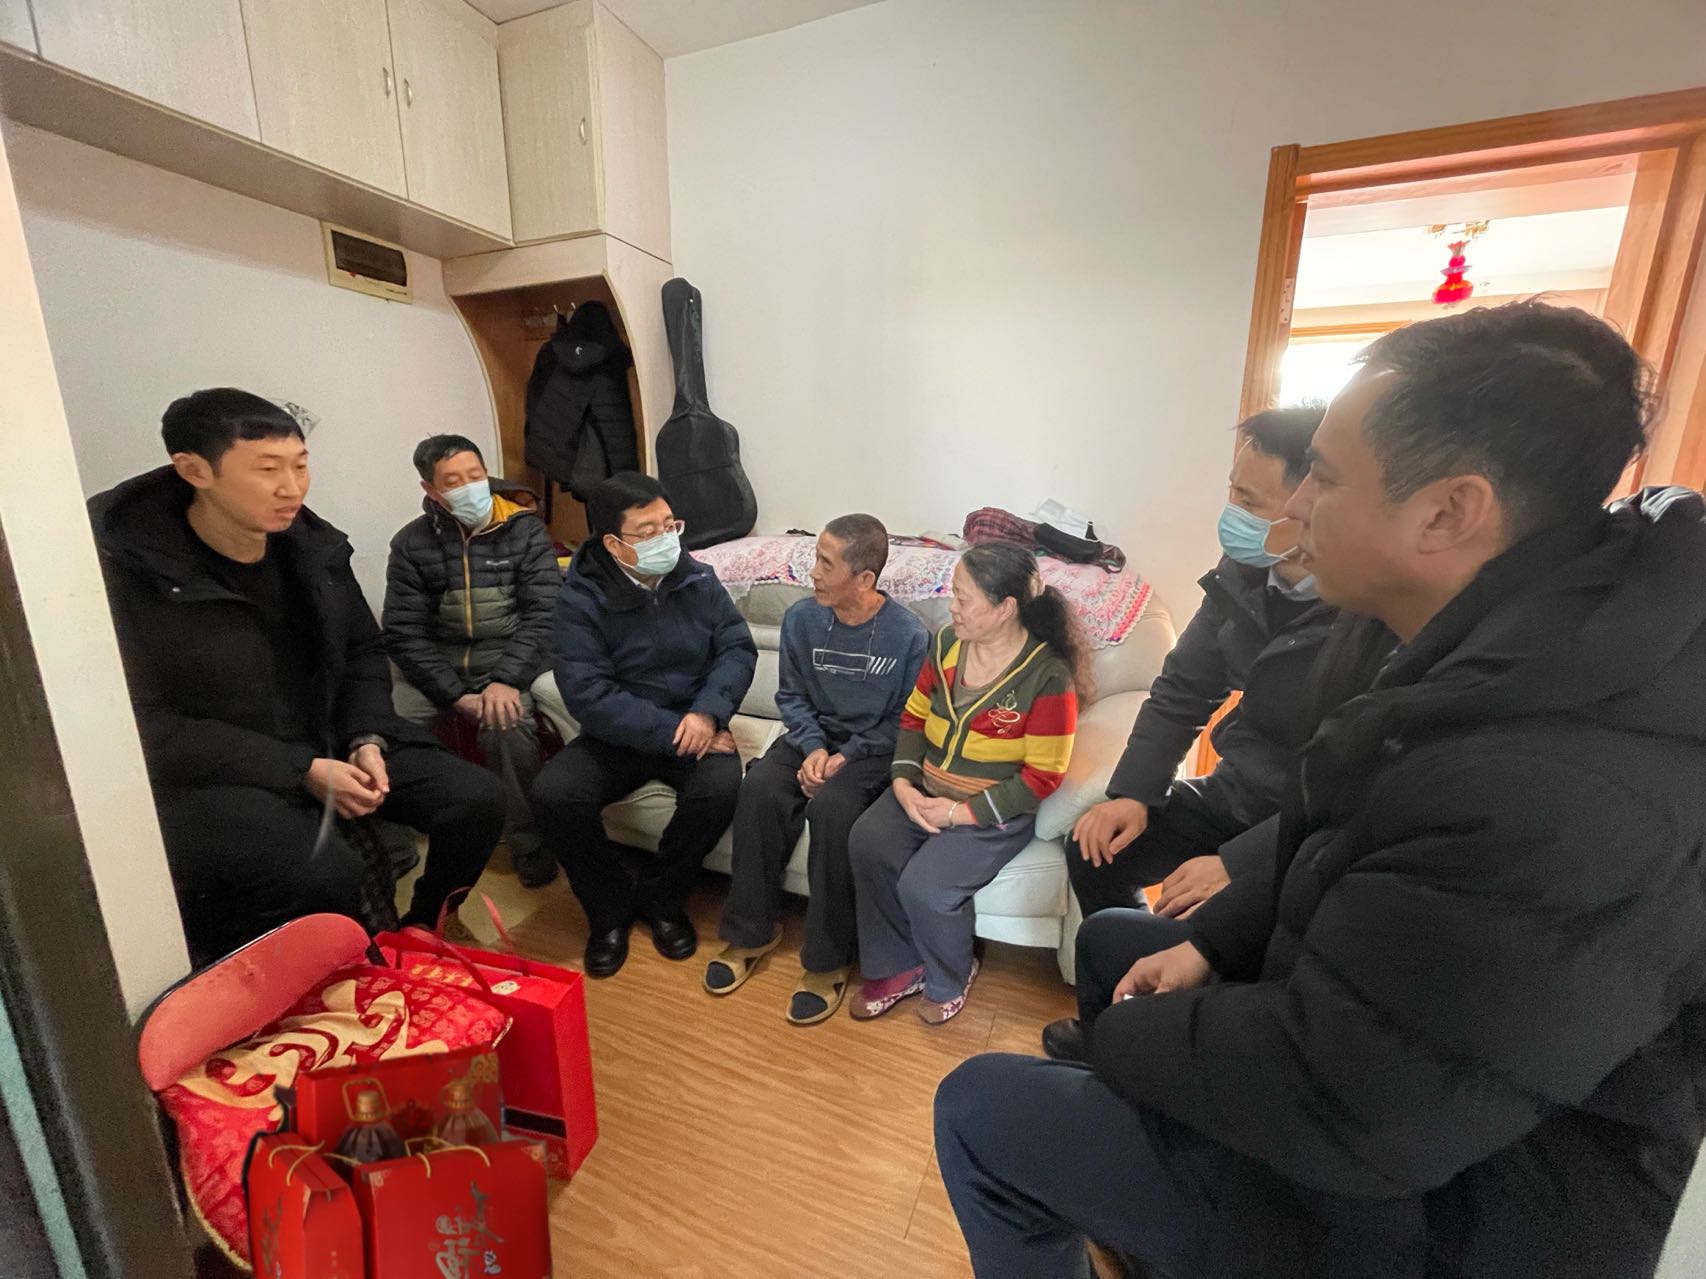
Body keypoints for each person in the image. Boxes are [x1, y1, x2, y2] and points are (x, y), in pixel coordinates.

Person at [933, 300, 1706, 1279]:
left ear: (1447, 511)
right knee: (1121, 937)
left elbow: (1351, 1101)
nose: (1292, 509)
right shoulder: (1483, 638)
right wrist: (1214, 941)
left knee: (980, 1106)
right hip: (1393, 1082)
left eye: (1325, 478)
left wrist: (1129, 1039)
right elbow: (1328, 820)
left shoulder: (1558, 781)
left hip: (1441, 1212)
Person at [90, 389, 505, 964]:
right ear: (194, 470)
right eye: (268, 470)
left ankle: (425, 927)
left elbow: (363, 649)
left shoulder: (313, 546)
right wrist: (299, 769)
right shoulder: (127, 571)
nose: (292, 488)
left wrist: (367, 737)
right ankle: (322, 971)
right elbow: (142, 724)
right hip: (220, 767)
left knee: (475, 798)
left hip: (326, 730)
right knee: (322, 872)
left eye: (301, 466)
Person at [1066, 405, 1334, 929]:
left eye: (1248, 501)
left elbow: (1352, 783)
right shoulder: (1243, 571)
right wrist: (1134, 793)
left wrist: (1240, 863)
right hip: (1240, 791)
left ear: (1311, 506)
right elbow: (1182, 690)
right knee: (1096, 849)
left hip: (1309, 826)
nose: (1231, 512)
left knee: (1217, 920)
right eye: (1232, 491)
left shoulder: (1368, 608)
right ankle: (1129, 960)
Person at [530, 472, 757, 977]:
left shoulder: (697, 578)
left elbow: (737, 648)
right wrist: (678, 731)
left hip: (696, 721)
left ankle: (662, 899)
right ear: (614, 543)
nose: (666, 539)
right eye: (648, 531)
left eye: (669, 524)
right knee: (554, 794)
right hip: (622, 735)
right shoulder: (580, 599)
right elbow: (588, 694)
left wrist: (707, 713)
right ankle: (608, 911)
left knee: (719, 788)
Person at [704, 515, 928, 1024]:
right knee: (759, 788)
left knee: (834, 812)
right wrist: (811, 749)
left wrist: (845, 757)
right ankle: (751, 933)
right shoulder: (802, 619)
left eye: (826, 563)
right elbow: (791, 696)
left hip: (871, 752)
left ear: (864, 578)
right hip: (812, 739)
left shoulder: (909, 635)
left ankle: (829, 959)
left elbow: (906, 721)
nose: (814, 572)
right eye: (815, 559)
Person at [848, 541, 1082, 1025]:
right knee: (868, 841)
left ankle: (950, 977)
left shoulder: (1047, 677)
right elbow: (914, 719)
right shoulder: (946, 645)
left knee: (926, 886)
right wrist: (904, 783)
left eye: (962, 597)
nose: (950, 605)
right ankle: (900, 965)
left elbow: (1043, 776)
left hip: (992, 810)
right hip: (926, 789)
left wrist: (960, 814)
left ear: (1005, 608)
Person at [383, 434, 562, 889]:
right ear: (430, 489)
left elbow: (544, 615)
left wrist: (505, 680)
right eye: (453, 481)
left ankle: (528, 842)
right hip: (438, 669)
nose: (469, 487)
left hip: (507, 663)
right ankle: (394, 843)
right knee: (384, 724)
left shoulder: (524, 531)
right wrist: (455, 695)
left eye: (475, 475)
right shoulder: (411, 543)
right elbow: (403, 632)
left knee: (508, 723)